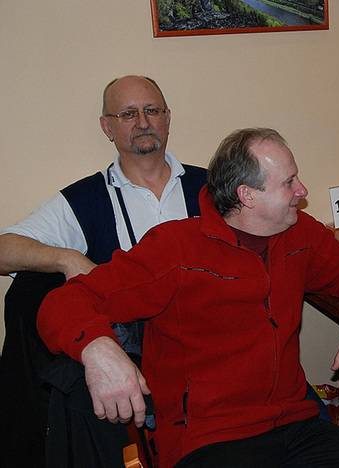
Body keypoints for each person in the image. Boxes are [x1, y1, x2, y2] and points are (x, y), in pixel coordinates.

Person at [37, 128, 339, 468]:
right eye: (288, 182)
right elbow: (64, 302)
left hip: (294, 420)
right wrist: (99, 349)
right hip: (208, 438)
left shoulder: (299, 233)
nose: (302, 190)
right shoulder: (176, 249)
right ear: (246, 195)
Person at [0, 75, 207, 467]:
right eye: (128, 114)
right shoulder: (86, 199)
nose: (143, 122)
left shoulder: (212, 188)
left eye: (152, 110)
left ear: (167, 118)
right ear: (107, 127)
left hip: (211, 351)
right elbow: (3, 248)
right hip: (141, 364)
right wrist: (68, 259)